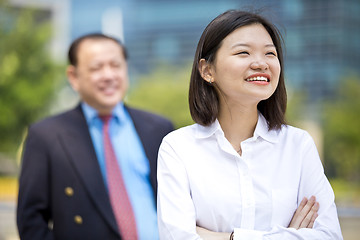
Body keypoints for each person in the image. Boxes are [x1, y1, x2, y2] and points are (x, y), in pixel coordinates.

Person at [157, 10, 343, 240]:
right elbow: (176, 236)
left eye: (270, 53)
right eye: (243, 52)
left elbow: (329, 235)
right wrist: (290, 235)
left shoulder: (298, 145)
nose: (261, 63)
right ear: (207, 70)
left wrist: (229, 237)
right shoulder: (178, 148)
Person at [17, 33, 174, 240]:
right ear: (73, 77)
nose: (108, 75)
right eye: (96, 68)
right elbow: (31, 221)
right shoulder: (46, 136)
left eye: (115, 65)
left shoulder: (159, 128)